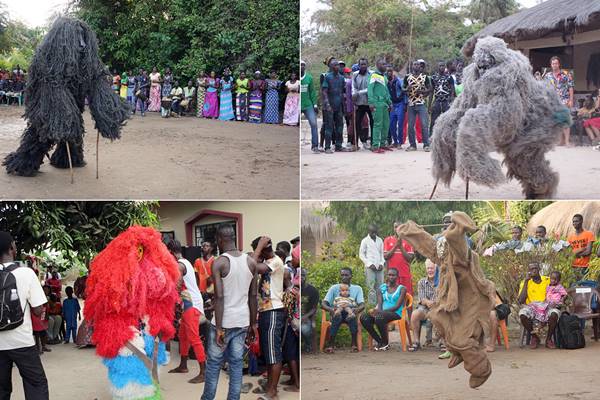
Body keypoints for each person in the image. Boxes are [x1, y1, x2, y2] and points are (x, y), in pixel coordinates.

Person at [201, 224, 258, 400]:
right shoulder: (251, 262)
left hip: (223, 323)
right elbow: (253, 296)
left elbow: (219, 297)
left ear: (219, 240)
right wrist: (254, 324)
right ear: (233, 237)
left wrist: (218, 328)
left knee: (213, 365)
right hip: (242, 322)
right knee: (236, 365)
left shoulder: (220, 262)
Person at [0, 231, 49, 399]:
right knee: (36, 383)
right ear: (12, 248)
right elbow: (37, 310)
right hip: (22, 341)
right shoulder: (26, 273)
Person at [253, 236, 288, 400]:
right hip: (265, 311)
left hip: (274, 310)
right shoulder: (268, 262)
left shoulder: (275, 261)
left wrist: (258, 247)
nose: (257, 255)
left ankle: (272, 392)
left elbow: (253, 266)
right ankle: (270, 387)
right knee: (268, 353)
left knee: (274, 353)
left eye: (258, 250)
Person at [167, 240, 206, 384]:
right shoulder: (186, 262)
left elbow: (176, 285)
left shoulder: (179, 264)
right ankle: (183, 366)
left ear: (170, 252)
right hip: (188, 304)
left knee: (194, 338)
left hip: (192, 304)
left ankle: (204, 372)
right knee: (183, 335)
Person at [360, 268, 406, 351]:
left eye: (393, 275)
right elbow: (380, 303)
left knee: (379, 316)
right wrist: (379, 312)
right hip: (382, 313)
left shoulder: (402, 289)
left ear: (397, 276)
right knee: (364, 318)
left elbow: (397, 306)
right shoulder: (382, 288)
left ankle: (384, 342)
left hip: (395, 313)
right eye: (389, 275)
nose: (391, 277)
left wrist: (380, 312)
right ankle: (380, 341)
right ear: (387, 276)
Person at [322, 267, 365, 353]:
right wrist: (331, 310)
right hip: (337, 312)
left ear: (351, 276)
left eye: (346, 275)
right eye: (342, 275)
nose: (344, 277)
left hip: (350, 312)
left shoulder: (357, 288)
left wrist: (357, 310)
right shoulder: (334, 288)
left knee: (352, 317)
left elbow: (362, 304)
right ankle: (331, 345)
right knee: (337, 317)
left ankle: (354, 344)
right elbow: (323, 303)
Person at [518, 263, 560, 349]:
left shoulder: (548, 280)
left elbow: (559, 291)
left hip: (547, 306)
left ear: (539, 269)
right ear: (528, 271)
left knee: (554, 314)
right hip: (532, 307)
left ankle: (548, 339)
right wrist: (526, 281)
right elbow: (521, 300)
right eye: (531, 269)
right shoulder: (525, 282)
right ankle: (534, 337)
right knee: (522, 314)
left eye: (535, 268)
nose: (533, 270)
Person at [544, 56, 574, 146]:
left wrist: (571, 100)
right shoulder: (547, 76)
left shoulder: (566, 74)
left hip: (564, 100)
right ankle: (560, 140)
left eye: (556, 63)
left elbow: (570, 87)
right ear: (551, 65)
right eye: (553, 63)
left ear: (559, 64)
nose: (554, 65)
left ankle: (567, 141)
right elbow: (545, 88)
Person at [403, 60, 432, 151]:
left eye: (417, 65)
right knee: (410, 125)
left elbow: (430, 88)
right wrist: (407, 88)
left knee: (424, 124)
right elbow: (403, 88)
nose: (416, 66)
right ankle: (412, 145)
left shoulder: (424, 77)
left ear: (420, 67)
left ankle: (426, 145)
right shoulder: (407, 77)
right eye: (414, 64)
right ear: (412, 66)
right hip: (411, 104)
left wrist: (423, 92)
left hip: (421, 103)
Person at [409, 259, 436, 351]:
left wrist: (434, 304)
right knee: (415, 314)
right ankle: (416, 341)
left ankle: (442, 343)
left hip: (438, 308)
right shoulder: (421, 282)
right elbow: (422, 299)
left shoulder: (441, 282)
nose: (430, 270)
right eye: (428, 268)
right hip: (424, 308)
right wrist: (429, 302)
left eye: (432, 268)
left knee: (442, 314)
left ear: (437, 269)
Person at [368, 58, 392, 153]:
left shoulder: (384, 77)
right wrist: (371, 102)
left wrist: (389, 102)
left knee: (386, 125)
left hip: (384, 104)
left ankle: (382, 144)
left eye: (385, 64)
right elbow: (370, 89)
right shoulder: (373, 76)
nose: (385, 66)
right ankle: (375, 146)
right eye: (383, 64)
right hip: (376, 103)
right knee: (377, 125)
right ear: (377, 65)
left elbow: (385, 91)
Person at [321, 58, 346, 153]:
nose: (337, 67)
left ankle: (338, 145)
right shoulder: (327, 77)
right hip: (330, 106)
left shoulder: (341, 77)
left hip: (339, 105)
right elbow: (324, 91)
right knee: (329, 126)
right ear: (331, 67)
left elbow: (343, 91)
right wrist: (327, 104)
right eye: (335, 65)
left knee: (340, 125)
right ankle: (327, 147)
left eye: (338, 65)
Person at [383, 221, 414, 294]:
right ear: (393, 228)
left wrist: (401, 247)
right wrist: (395, 246)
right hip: (392, 276)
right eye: (396, 227)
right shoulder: (387, 240)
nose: (397, 229)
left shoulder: (408, 240)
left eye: (400, 227)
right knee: (392, 295)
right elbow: (386, 257)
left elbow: (410, 259)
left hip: (405, 274)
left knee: (406, 295)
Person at [359, 224, 385, 305]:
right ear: (369, 231)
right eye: (372, 232)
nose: (374, 234)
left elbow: (382, 253)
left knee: (380, 287)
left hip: (379, 267)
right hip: (370, 268)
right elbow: (361, 255)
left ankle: (379, 305)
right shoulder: (365, 241)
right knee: (371, 287)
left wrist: (381, 263)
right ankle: (372, 306)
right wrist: (369, 264)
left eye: (375, 232)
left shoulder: (380, 240)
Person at [352, 58, 373, 149]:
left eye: (365, 64)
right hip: (359, 103)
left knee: (373, 122)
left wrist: (359, 92)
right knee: (357, 123)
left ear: (367, 65)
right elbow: (354, 87)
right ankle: (355, 144)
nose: (363, 66)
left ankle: (373, 143)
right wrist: (354, 95)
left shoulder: (372, 74)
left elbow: (371, 88)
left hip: (370, 103)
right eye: (361, 64)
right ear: (359, 65)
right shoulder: (355, 75)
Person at [430, 60, 455, 135]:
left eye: (443, 66)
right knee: (433, 120)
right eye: (440, 66)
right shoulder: (433, 77)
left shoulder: (449, 77)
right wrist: (430, 105)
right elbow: (431, 91)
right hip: (437, 101)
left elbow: (452, 89)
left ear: (445, 67)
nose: (442, 67)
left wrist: (451, 100)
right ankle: (431, 137)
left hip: (446, 101)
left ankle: (448, 136)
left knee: (448, 121)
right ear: (437, 67)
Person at [567, 213, 595, 280]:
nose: (574, 223)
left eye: (576, 221)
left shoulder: (589, 234)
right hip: (573, 266)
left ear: (581, 221)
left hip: (585, 266)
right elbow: (568, 253)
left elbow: (588, 252)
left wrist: (575, 254)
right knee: (575, 287)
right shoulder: (570, 237)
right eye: (573, 221)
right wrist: (582, 249)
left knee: (585, 287)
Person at [300, 60, 320, 153]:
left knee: (314, 124)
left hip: (308, 105)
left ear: (305, 67)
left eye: (303, 65)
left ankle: (315, 146)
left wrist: (315, 105)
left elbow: (312, 92)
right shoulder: (295, 78)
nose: (301, 67)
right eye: (300, 65)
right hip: (297, 105)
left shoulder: (309, 78)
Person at [387, 65, 406, 148]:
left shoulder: (398, 80)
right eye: (387, 71)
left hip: (400, 103)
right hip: (392, 104)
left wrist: (405, 104)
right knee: (391, 124)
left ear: (393, 72)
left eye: (390, 71)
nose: (389, 73)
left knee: (400, 123)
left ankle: (400, 142)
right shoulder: (385, 82)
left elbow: (404, 90)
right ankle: (395, 141)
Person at [300, 268, 319, 353]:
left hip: (306, 317)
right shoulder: (293, 288)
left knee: (305, 329)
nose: (301, 277)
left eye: (303, 275)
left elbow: (314, 308)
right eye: (299, 275)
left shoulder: (312, 291)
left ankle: (308, 344)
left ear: (306, 276)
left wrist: (305, 316)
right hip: (294, 317)